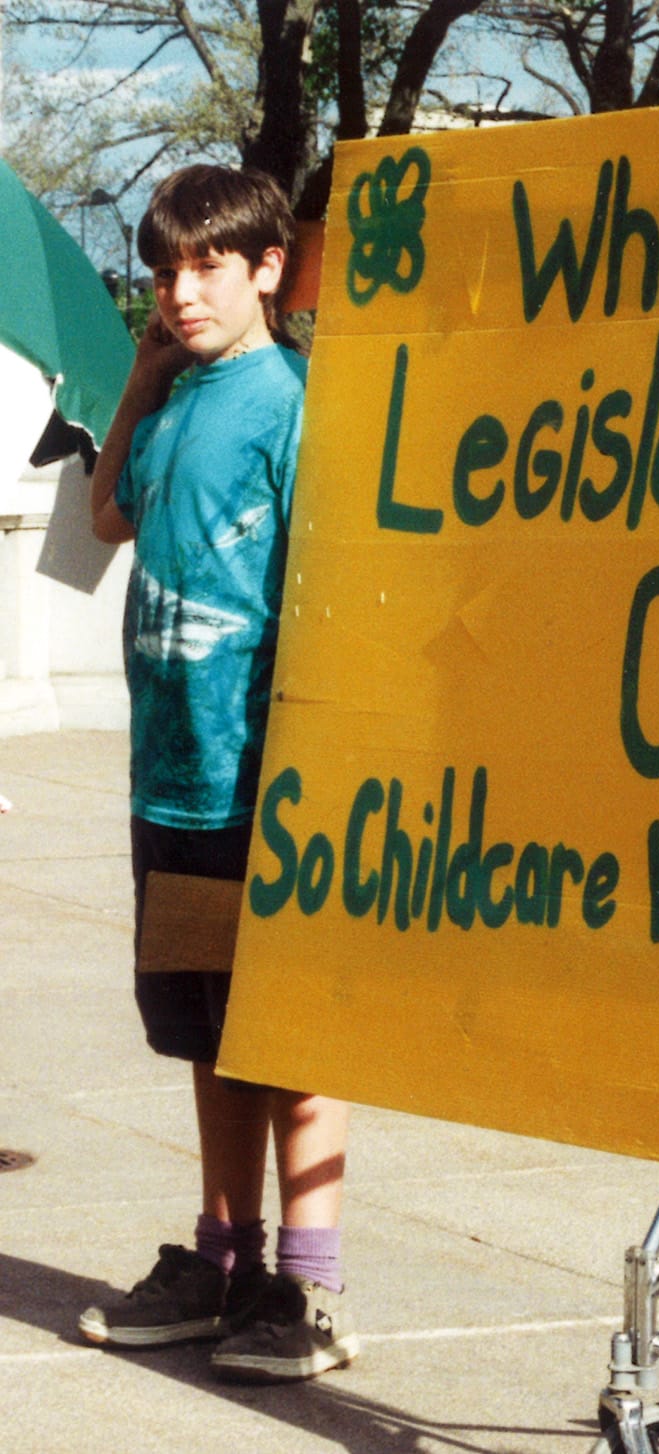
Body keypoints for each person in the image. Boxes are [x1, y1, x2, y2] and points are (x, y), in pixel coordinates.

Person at [76, 165, 358, 1384]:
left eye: (206, 267)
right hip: (173, 779)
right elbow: (106, 513)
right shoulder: (180, 397)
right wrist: (141, 377)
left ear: (267, 273)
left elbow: (334, 595)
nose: (181, 291)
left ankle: (306, 1283)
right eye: (163, 270)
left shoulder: (295, 403)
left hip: (266, 783)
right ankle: (223, 1255)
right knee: (206, 1031)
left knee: (293, 1036)